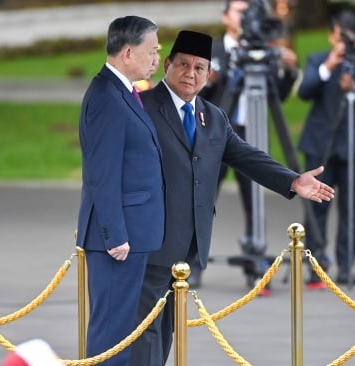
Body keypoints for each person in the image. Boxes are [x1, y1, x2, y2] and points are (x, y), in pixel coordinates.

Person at [128, 30, 334, 366]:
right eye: (182, 64)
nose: (190, 74)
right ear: (167, 65)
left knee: (165, 331)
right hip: (147, 242)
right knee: (143, 333)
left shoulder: (213, 117)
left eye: (199, 68)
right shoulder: (143, 107)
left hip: (186, 246)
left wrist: (294, 181)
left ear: (209, 75)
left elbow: (248, 157)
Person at [74, 16, 163, 366]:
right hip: (118, 240)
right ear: (128, 53)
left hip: (133, 234)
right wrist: (114, 235)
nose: (157, 58)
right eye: (151, 51)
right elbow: (102, 173)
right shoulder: (105, 97)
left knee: (123, 334)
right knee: (111, 336)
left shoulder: (122, 91)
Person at [199, 0, 300, 277]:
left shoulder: (265, 52)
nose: (245, 18)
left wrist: (289, 72)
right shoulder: (213, 51)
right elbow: (194, 96)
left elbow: (276, 95)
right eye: (239, 12)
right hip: (213, 132)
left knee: (254, 196)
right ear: (225, 17)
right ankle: (193, 262)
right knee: (203, 197)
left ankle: (256, 258)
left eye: (249, 12)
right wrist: (209, 79)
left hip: (249, 133)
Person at [297, 8, 355, 287]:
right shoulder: (317, 60)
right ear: (330, 36)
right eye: (338, 37)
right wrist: (329, 65)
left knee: (351, 210)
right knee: (316, 209)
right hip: (321, 145)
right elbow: (304, 92)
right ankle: (316, 267)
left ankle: (346, 266)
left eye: (347, 38)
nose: (342, 43)